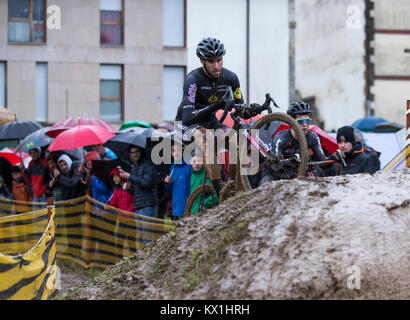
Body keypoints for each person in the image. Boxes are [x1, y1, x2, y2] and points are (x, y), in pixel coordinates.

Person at [174, 37, 244, 196]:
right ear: (202, 60)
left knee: (233, 139)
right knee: (206, 138)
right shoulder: (193, 80)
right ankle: (220, 188)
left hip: (210, 121)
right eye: (211, 61)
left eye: (219, 60)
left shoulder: (231, 78)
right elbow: (188, 117)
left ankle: (232, 182)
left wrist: (254, 108)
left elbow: (240, 107)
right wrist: (217, 105)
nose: (217, 65)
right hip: (187, 125)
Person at [259, 101, 329, 184]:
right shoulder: (281, 138)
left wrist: (334, 157)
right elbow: (275, 165)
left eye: (307, 121)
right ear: (291, 122)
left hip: (296, 174)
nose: (304, 124)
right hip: (275, 174)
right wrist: (291, 161)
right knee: (266, 182)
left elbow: (323, 161)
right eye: (300, 121)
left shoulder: (312, 137)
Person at [118, 145, 158, 218]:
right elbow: (138, 190)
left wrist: (129, 176)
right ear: (129, 155)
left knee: (147, 230)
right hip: (138, 206)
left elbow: (146, 183)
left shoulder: (148, 165)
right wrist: (129, 189)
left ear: (141, 152)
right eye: (132, 152)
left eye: (137, 152)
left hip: (148, 205)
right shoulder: (134, 168)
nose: (135, 154)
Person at [164, 143, 192, 221]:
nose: (176, 153)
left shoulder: (189, 166)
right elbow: (170, 189)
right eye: (173, 151)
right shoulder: (173, 167)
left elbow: (191, 186)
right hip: (175, 209)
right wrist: (167, 183)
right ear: (171, 153)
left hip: (187, 208)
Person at [189, 150, 218, 215]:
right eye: (194, 161)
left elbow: (216, 195)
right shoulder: (191, 175)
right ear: (190, 162)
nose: (196, 163)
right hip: (193, 212)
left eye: (199, 161)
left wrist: (205, 204)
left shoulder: (208, 176)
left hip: (205, 212)